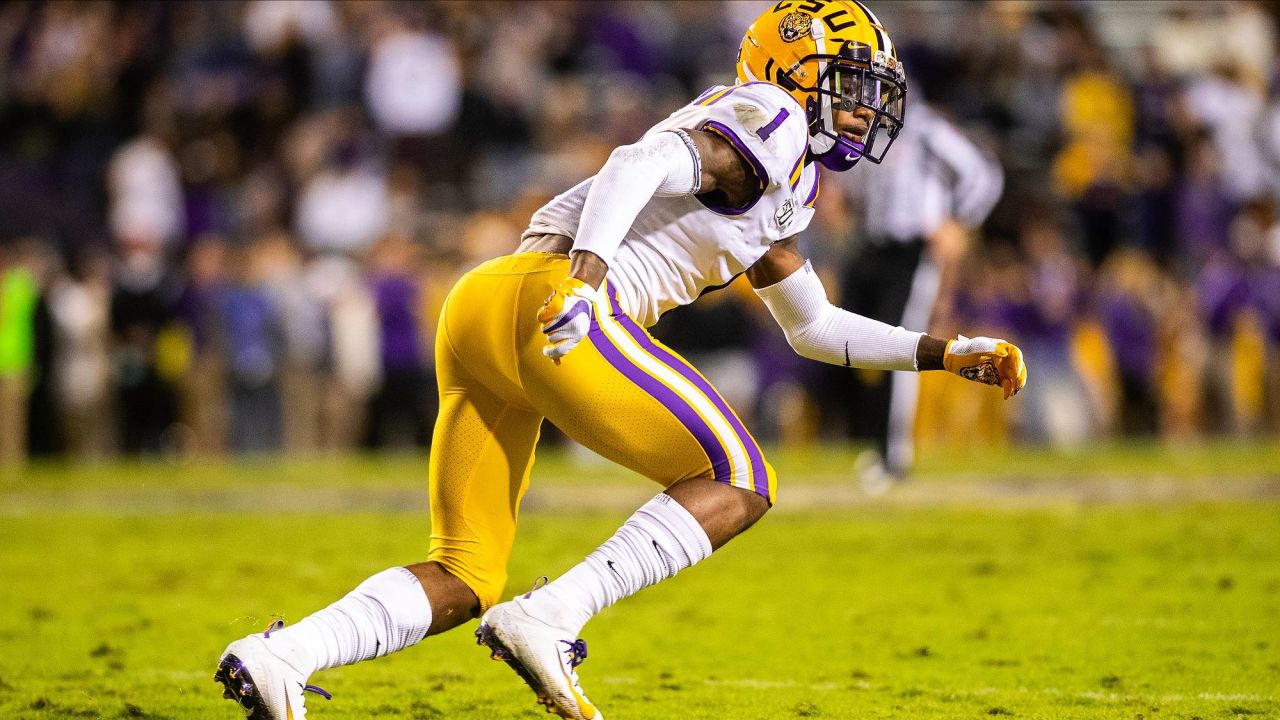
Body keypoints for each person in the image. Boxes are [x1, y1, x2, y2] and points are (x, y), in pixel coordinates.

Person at [215, 2, 1026, 719]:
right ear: (791, 71)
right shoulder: (771, 116)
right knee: (741, 479)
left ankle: (285, 654)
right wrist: (587, 280)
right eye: (846, 85)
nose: (860, 111)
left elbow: (812, 326)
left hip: (486, 306)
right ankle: (553, 613)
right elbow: (633, 163)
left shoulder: (785, 177)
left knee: (464, 573)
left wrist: (947, 353)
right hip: (564, 304)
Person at [833, 97, 1004, 482]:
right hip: (873, 247)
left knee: (900, 344)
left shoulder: (925, 127)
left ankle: (893, 454)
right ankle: (871, 440)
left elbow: (983, 175)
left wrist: (960, 221)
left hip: (914, 248)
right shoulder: (868, 131)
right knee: (857, 344)